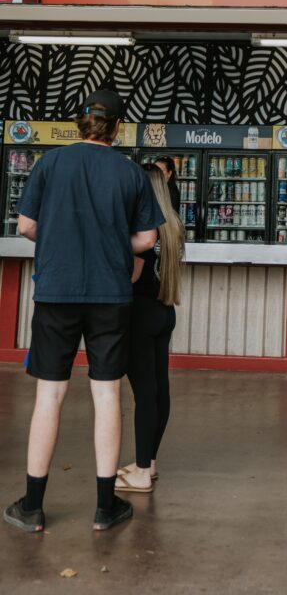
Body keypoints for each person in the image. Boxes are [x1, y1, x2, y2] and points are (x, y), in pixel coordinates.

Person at [3, 90, 164, 534]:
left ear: (80, 123)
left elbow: (28, 226)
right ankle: (103, 507)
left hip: (56, 292)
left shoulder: (50, 164)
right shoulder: (131, 173)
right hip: (111, 296)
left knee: (49, 396)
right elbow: (147, 240)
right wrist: (110, 241)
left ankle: (32, 506)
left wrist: (64, 238)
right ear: (117, 128)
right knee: (107, 394)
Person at [115, 163, 185, 493]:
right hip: (164, 311)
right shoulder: (173, 227)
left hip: (139, 315)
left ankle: (141, 472)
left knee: (143, 394)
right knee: (159, 390)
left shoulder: (142, 229)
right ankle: (150, 462)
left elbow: (132, 275)